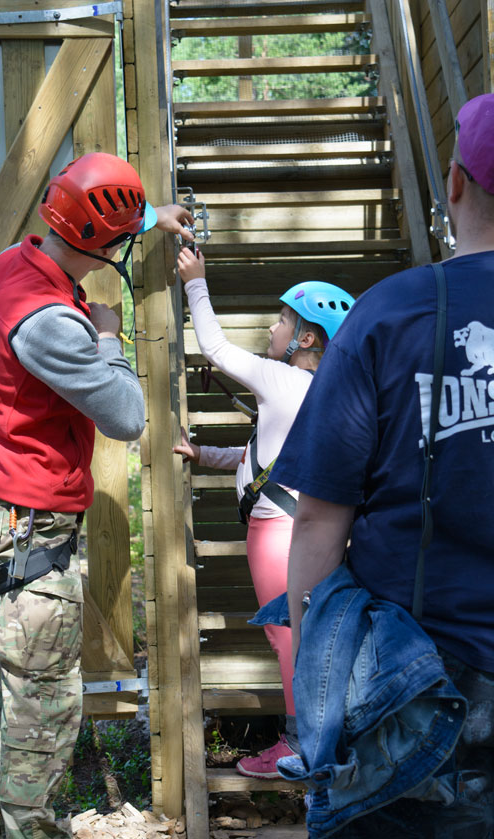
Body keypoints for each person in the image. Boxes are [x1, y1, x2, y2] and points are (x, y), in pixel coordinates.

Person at [0, 152, 194, 839]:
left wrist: (151, 218)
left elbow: (91, 224)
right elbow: (125, 415)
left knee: (3, 712)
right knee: (40, 727)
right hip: (35, 544)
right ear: (103, 244)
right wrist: (110, 338)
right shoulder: (54, 323)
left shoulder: (10, 266)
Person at [271, 93, 494, 835]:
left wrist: (318, 684)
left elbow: (316, 521)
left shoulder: (388, 314)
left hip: (415, 685)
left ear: (454, 184)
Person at [173, 245, 354, 778]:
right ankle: (323, 740)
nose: (272, 328)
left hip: (275, 531)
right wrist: (206, 455)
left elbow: (215, 347)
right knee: (304, 632)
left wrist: (195, 282)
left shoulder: (282, 380)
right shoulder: (324, 390)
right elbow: (267, 457)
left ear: (305, 338)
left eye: (281, 320)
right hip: (302, 523)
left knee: (286, 635)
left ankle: (301, 746)